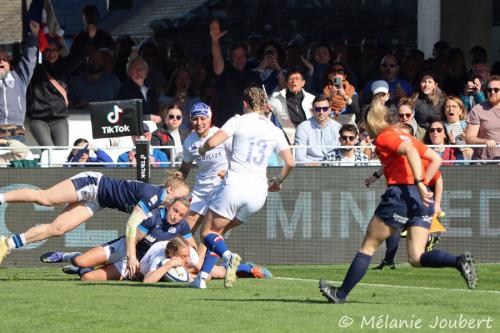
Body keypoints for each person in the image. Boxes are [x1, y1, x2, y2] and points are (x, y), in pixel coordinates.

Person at [319, 96, 477, 304]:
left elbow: (409, 153)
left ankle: (340, 295)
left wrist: (418, 183)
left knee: (368, 246)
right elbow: (436, 159)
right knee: (416, 257)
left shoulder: (384, 137)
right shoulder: (406, 136)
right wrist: (418, 185)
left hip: (400, 196)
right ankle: (458, 261)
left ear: (371, 122)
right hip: (420, 201)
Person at [189, 86, 294, 289]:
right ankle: (201, 279)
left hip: (235, 186)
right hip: (258, 194)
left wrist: (201, 149)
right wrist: (278, 182)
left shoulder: (238, 120)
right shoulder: (274, 129)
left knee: (207, 233)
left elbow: (212, 142)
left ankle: (228, 257)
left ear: (244, 103)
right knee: (218, 234)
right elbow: (290, 162)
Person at [0, 172, 190, 276]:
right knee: (45, 199)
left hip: (98, 201)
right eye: (181, 197)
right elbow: (132, 224)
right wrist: (132, 256)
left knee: (57, 229)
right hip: (92, 185)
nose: (182, 201)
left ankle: (8, 243)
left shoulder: (159, 203)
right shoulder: (154, 195)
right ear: (170, 190)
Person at [40, 197, 194, 281]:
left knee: (87, 278)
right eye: (175, 210)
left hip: (133, 263)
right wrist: (132, 257)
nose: (176, 216)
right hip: (125, 248)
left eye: (181, 214)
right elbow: (133, 239)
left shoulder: (183, 226)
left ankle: (82, 270)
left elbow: (192, 249)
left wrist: (190, 268)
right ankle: (70, 256)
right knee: (80, 260)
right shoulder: (153, 218)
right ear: (169, 207)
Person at [177, 103, 230, 236]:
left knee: (208, 234)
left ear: (210, 119)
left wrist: (228, 172)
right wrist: (178, 177)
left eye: (203, 118)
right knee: (184, 234)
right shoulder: (189, 141)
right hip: (200, 193)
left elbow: (238, 158)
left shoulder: (221, 135)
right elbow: (185, 168)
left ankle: (203, 258)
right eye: (195, 119)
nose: (199, 122)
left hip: (220, 190)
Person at [28, 36, 83, 147]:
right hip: (39, 119)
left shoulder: (64, 66)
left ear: (59, 51)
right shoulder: (36, 68)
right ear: (43, 51)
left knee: (62, 154)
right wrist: (34, 36)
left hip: (59, 118)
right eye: (48, 50)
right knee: (49, 153)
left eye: (54, 50)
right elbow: (25, 58)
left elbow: (80, 55)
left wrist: (89, 37)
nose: (51, 53)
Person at [209, 20, 261, 127]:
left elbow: (259, 101)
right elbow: (217, 57)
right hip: (226, 125)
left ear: (247, 58)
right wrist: (215, 41)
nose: (239, 59)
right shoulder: (224, 72)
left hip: (249, 125)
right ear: (230, 59)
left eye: (242, 56)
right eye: (235, 57)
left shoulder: (253, 76)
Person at [0, 20, 39, 143]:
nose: (1, 62)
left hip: (17, 134)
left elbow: (29, 59)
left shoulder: (19, 77)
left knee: (21, 161)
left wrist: (33, 36)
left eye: (4, 59)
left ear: (9, 63)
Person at [269, 69, 315, 144]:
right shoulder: (276, 98)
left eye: (297, 78)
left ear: (303, 83)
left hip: (307, 139)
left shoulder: (311, 99)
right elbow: (267, 117)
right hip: (285, 140)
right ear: (286, 83)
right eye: (291, 79)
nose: (294, 81)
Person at [294, 95, 342, 164]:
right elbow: (299, 157)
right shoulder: (302, 128)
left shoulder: (338, 127)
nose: (321, 112)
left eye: (325, 109)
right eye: (317, 109)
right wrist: (318, 165)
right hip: (311, 168)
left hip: (333, 166)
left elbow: (342, 153)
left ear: (330, 110)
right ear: (313, 110)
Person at [465, 75, 500, 161]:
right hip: (483, 163)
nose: (492, 92)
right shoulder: (478, 109)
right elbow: (469, 138)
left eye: (496, 90)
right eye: (489, 90)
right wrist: (485, 141)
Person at [116, 57, 161, 124]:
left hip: (152, 130)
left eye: (142, 68)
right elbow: (124, 114)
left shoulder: (150, 89)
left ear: (146, 72)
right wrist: (148, 118)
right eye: (135, 68)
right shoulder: (124, 89)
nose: (139, 71)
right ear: (128, 72)